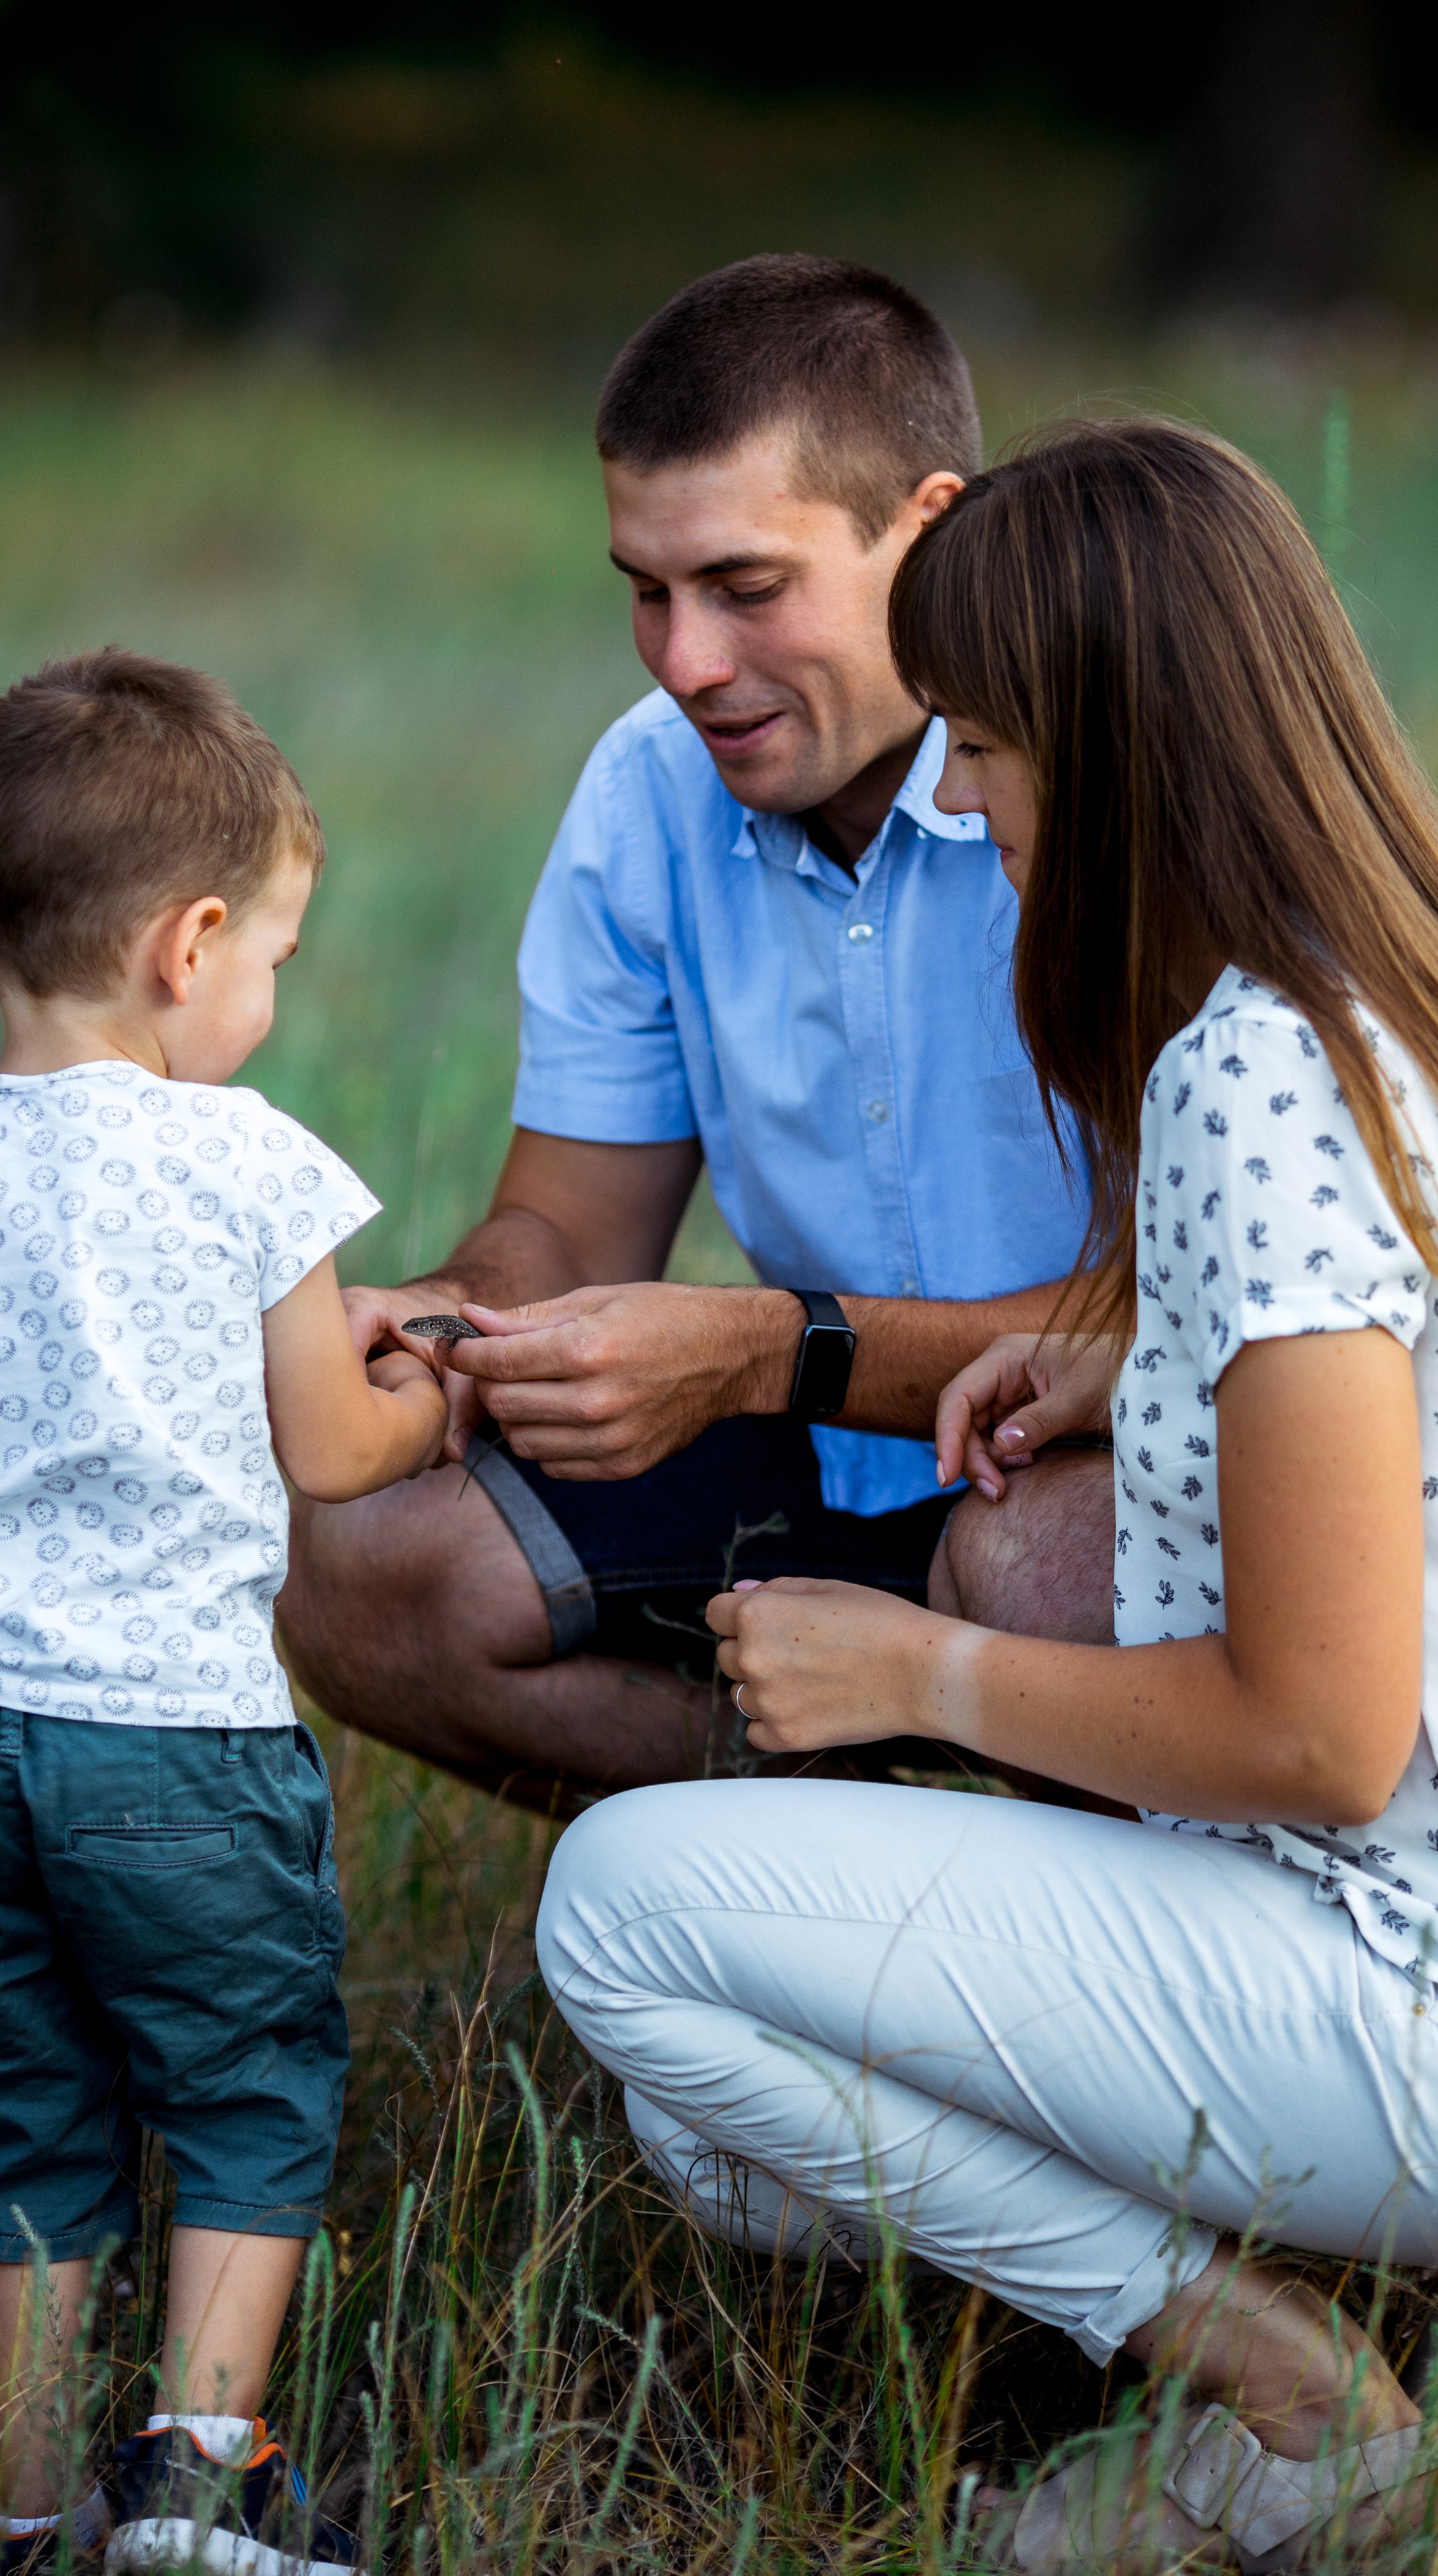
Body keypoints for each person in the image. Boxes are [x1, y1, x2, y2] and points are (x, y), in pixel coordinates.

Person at [536, 420, 1438, 2568]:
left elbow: (1320, 1739)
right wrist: (1134, 1366)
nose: (962, 798)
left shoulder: (1255, 1070)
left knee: (630, 1915)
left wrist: (921, 1666)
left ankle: (1296, 2402)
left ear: (1125, 752)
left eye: (983, 742)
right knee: (726, 2144)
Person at [280, 253, 1109, 1811]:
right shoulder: (646, 787)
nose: (683, 663)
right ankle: (842, 1869)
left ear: (927, 529)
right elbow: (565, 1219)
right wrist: (454, 1321)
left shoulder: (1102, 776)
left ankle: (1062, 1885)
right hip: (815, 1455)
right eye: (644, 593)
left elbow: (1196, 1329)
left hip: (1102, 1464)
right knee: (368, 1560)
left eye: (742, 588)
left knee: (1040, 1560)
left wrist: (756, 1349)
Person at [0, 651, 448, 2573]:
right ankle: (194, 2487)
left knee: (15, 2121)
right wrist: (437, 1388)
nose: (269, 994)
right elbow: (336, 1451)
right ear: (187, 945)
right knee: (248, 2093)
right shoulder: (247, 1162)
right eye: (273, 954)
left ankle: (21, 2513)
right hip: (180, 1739)